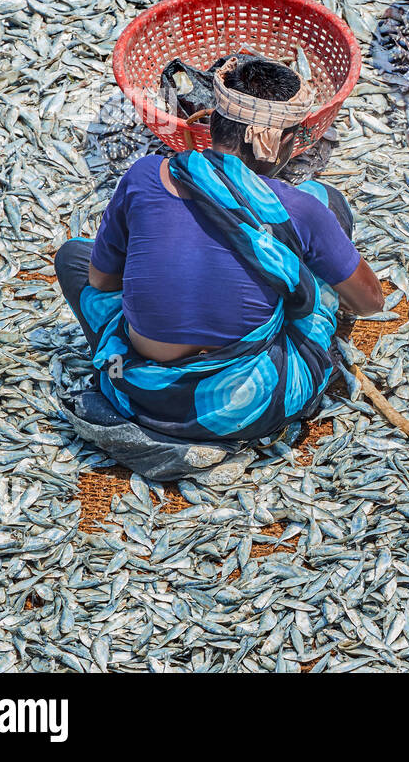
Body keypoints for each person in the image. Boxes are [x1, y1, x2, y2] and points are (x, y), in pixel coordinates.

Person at [54, 56, 383, 480]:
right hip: (250, 403)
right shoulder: (298, 209)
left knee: (73, 258)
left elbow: (100, 281)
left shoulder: (142, 176)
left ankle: (145, 425)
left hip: (135, 385)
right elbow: (370, 302)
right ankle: (207, 429)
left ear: (217, 122)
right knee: (328, 203)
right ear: (273, 141)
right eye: (296, 137)